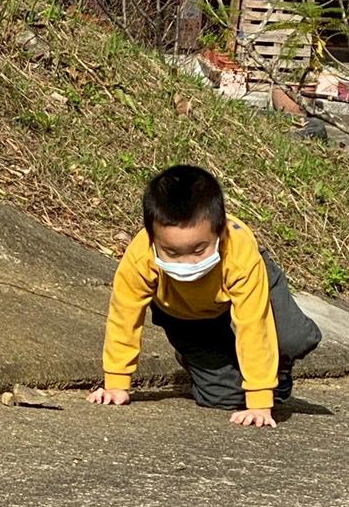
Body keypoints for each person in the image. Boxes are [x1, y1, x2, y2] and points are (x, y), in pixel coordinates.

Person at [87, 165, 322, 428]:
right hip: (183, 316)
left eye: (199, 250)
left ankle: (276, 367)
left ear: (220, 233)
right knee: (222, 396)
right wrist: (116, 383)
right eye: (172, 253)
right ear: (152, 239)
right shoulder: (139, 258)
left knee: (292, 338)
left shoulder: (239, 254)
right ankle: (209, 362)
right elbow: (124, 317)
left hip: (246, 290)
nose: (187, 262)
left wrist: (260, 402)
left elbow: (254, 325)